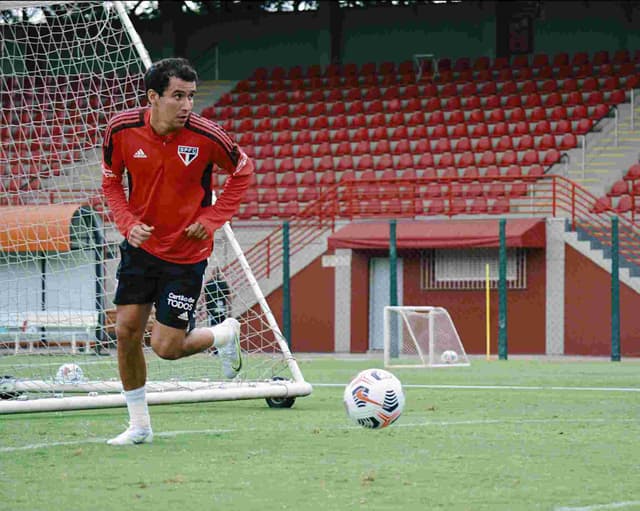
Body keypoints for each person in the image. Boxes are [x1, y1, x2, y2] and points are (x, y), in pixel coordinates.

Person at [101, 57, 254, 445]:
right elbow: (111, 183)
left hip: (186, 254)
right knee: (126, 331)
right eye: (177, 96)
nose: (187, 105)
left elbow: (243, 172)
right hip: (141, 248)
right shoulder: (121, 130)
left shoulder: (208, 136)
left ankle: (224, 333)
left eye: (191, 97)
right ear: (153, 97)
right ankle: (139, 427)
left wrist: (214, 217)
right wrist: (127, 223)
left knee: (166, 348)